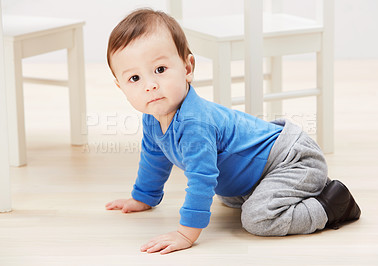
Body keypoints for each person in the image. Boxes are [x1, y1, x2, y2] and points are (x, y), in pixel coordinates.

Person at [105, 8, 361, 255]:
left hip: (291, 159)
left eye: (160, 70)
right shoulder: (153, 119)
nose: (150, 85)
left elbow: (201, 178)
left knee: (257, 219)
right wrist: (144, 197)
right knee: (228, 197)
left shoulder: (195, 123)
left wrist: (186, 233)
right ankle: (301, 188)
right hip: (258, 172)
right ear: (120, 86)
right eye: (134, 78)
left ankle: (331, 204)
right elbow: (154, 159)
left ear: (187, 68)